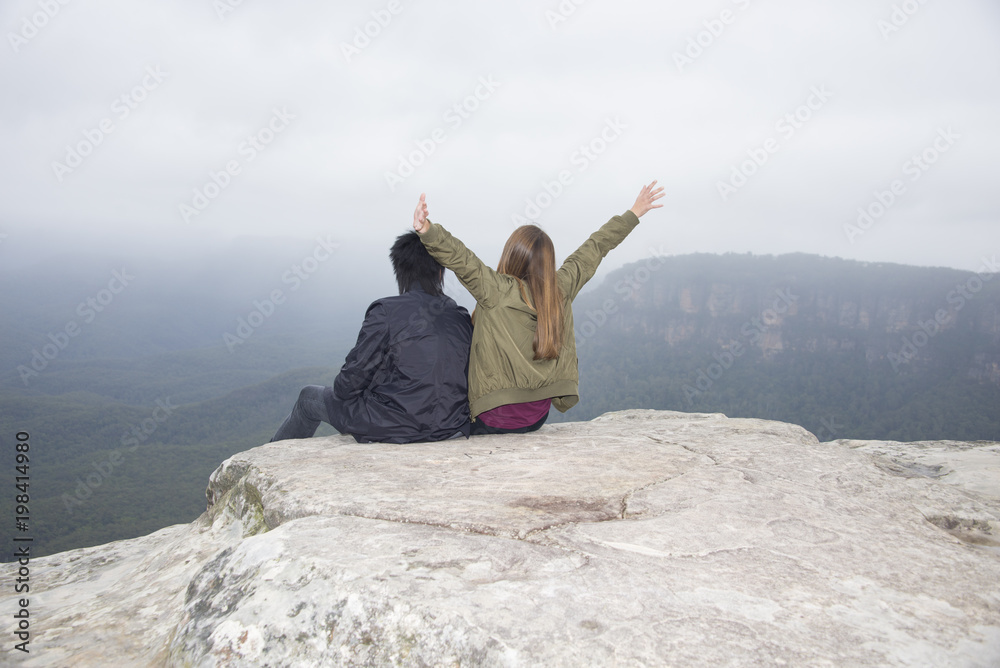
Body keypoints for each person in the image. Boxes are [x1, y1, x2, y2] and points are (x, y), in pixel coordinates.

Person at [412, 181, 664, 435]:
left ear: (511, 255)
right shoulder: (560, 290)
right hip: (536, 417)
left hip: (495, 416)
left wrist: (427, 230)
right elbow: (595, 248)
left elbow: (461, 259)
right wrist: (633, 213)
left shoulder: (496, 290)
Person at [270, 231, 473, 444]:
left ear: (400, 270)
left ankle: (268, 459)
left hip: (398, 425)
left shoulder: (386, 312)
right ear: (440, 272)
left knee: (308, 397)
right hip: (451, 425)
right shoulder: (459, 315)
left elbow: (347, 386)